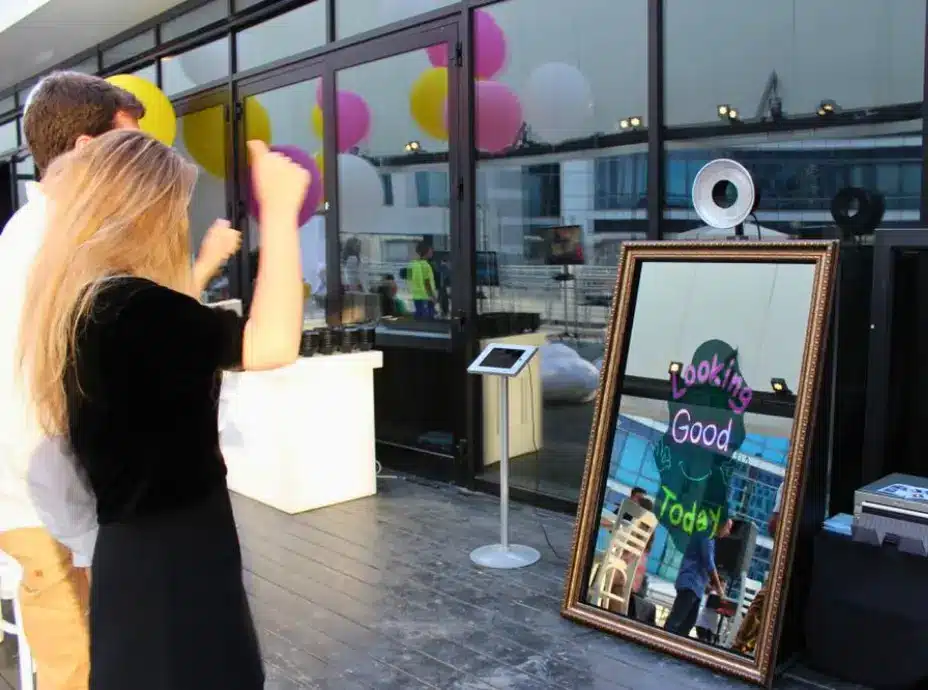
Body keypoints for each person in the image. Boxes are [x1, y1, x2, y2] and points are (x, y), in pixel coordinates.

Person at [18, 130, 309, 690]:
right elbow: (272, 343)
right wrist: (277, 214)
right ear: (144, 213)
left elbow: (171, 342)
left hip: (136, 551)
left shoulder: (89, 305)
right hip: (176, 555)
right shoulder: (134, 310)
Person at [0, 71, 143, 690]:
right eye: (128, 147)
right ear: (87, 149)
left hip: (65, 499)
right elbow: (35, 401)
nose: (139, 166)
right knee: (75, 670)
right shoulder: (52, 245)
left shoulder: (41, 236)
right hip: (46, 503)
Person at [731, 483, 783, 655]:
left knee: (768, 595)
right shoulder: (788, 484)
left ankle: (745, 644)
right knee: (767, 595)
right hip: (786, 551)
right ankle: (742, 644)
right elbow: (773, 524)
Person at [664, 519, 732, 637]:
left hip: (696, 587)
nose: (728, 532)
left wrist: (708, 586)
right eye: (728, 528)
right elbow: (709, 564)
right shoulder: (706, 535)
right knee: (676, 621)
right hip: (690, 583)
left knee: (687, 624)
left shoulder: (710, 539)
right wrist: (720, 590)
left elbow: (702, 565)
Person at [407, 240, 436, 319]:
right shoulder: (425, 265)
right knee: (428, 319)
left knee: (419, 318)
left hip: (416, 296)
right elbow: (427, 282)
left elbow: (409, 280)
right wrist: (432, 296)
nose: (432, 252)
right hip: (426, 297)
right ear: (425, 252)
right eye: (430, 251)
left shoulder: (411, 264)